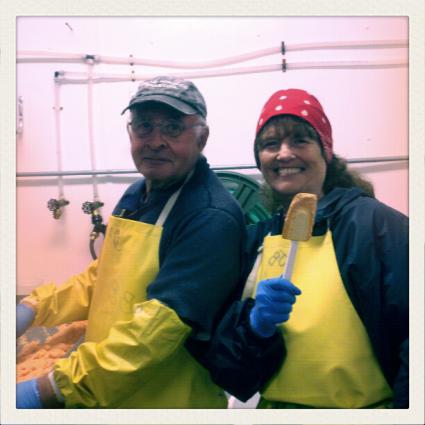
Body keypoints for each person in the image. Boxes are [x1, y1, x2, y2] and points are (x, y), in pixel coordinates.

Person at [15, 76, 247, 408]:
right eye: (144, 127)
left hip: (169, 399)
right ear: (130, 133)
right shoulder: (138, 193)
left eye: (172, 128)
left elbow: (157, 331)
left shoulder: (210, 217)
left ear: (202, 137)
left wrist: (54, 387)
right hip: (109, 388)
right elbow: (103, 277)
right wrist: (34, 307)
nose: (155, 141)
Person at [190, 88, 409, 409]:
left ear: (326, 152)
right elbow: (231, 371)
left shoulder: (376, 225)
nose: (283, 153)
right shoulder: (256, 241)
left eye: (300, 140)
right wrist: (255, 327)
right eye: (270, 144)